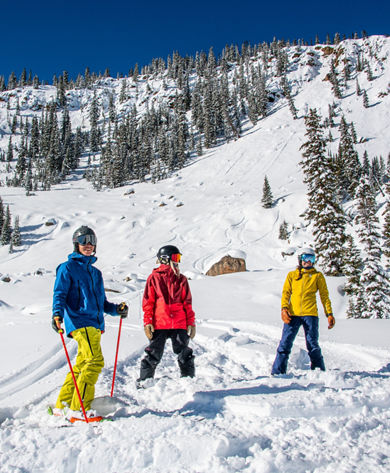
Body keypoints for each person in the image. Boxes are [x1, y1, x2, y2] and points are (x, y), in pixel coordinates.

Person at [51, 225, 128, 419]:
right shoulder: (67, 267)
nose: (88, 244)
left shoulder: (96, 273)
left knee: (82, 364)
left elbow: (102, 303)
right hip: (79, 322)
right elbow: (59, 293)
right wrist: (57, 314)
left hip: (94, 325)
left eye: (92, 241)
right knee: (95, 361)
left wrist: (116, 310)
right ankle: (80, 409)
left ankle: (64, 404)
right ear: (76, 244)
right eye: (84, 240)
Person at [271, 248, 335, 375]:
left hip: (310, 314)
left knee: (312, 344)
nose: (308, 262)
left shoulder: (317, 276)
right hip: (293, 314)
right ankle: (278, 372)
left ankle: (318, 371)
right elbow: (286, 293)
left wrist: (329, 314)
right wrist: (284, 309)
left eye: (311, 259)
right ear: (300, 259)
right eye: (305, 258)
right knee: (285, 343)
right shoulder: (292, 275)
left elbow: (324, 296)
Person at [138, 245, 196, 384]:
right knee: (153, 353)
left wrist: (191, 323)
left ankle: (189, 381)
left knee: (184, 352)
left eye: (179, 258)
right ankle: (145, 381)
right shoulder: (154, 278)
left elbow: (187, 302)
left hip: (179, 322)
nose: (178, 262)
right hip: (160, 323)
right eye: (176, 258)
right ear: (165, 259)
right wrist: (148, 322)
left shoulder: (181, 279)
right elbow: (148, 302)